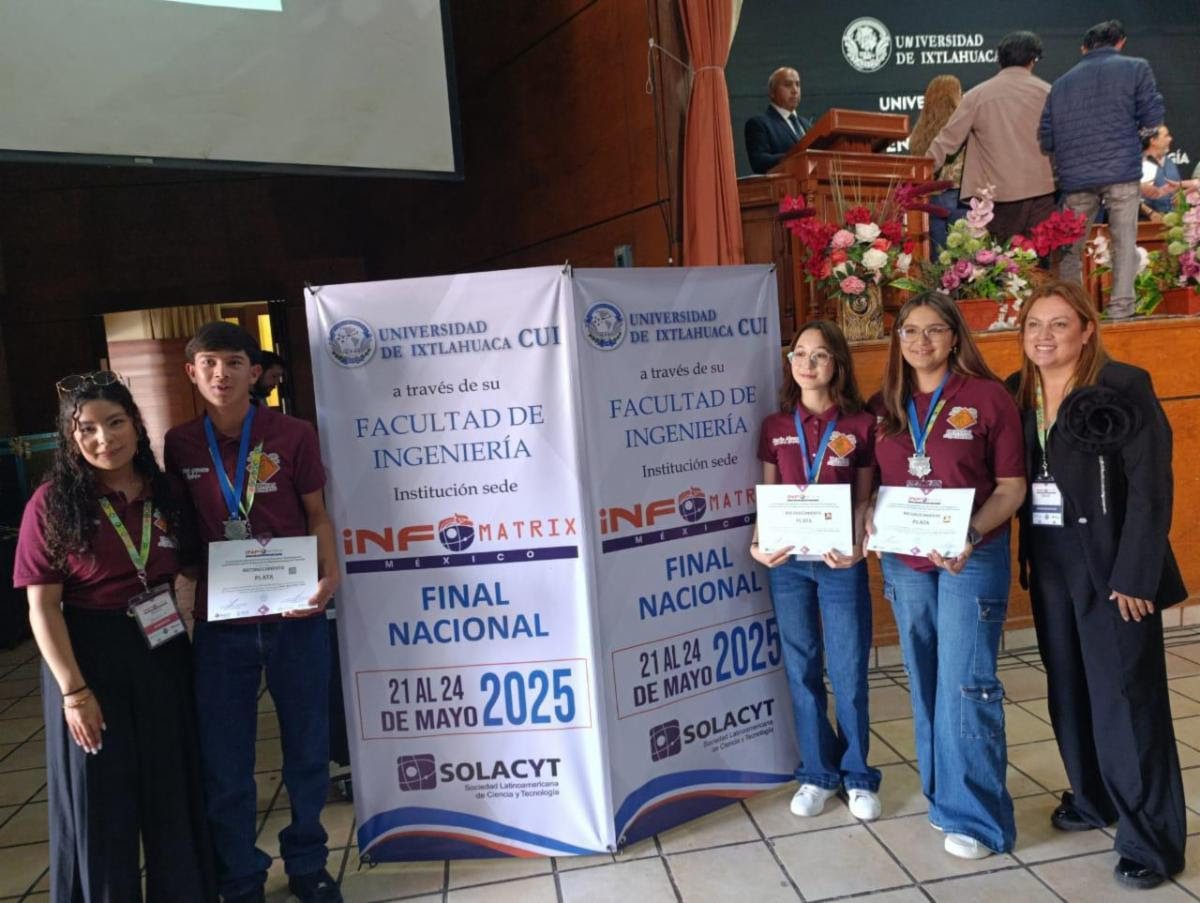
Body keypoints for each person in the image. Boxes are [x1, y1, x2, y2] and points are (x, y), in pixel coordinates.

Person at [1011, 280, 1187, 890]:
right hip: (1051, 564)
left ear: (1087, 329)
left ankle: (1152, 841)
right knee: (1069, 689)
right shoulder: (1019, 391)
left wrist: (1137, 572)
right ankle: (1092, 798)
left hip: (1114, 568)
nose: (1044, 336)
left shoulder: (1122, 385)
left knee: (1126, 700)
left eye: (1059, 324)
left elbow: (1151, 486)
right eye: (1034, 324)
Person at [13, 373, 216, 902]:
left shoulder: (167, 491)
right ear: (70, 438)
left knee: (171, 789)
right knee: (101, 800)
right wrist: (74, 693)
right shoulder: (52, 502)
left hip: (162, 649)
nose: (105, 439)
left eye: (116, 422)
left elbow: (192, 566)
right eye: (87, 429)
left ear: (136, 424)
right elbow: (43, 607)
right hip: (88, 658)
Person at [165, 322, 341, 903]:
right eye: (209, 363)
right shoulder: (180, 444)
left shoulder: (292, 434)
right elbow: (184, 531)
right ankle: (241, 875)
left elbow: (316, 514)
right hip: (223, 628)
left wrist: (330, 573)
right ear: (192, 373)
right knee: (225, 761)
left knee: (308, 750)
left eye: (234, 362)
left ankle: (309, 861)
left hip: (296, 618)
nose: (222, 374)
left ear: (254, 372)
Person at [865, 292, 1026, 860]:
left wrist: (973, 533)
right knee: (927, 675)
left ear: (955, 336)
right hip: (906, 562)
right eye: (910, 330)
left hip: (970, 556)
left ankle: (979, 819)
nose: (921, 341)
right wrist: (863, 523)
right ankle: (943, 796)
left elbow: (1011, 487)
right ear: (898, 339)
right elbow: (871, 488)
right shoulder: (884, 405)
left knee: (967, 682)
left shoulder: (987, 398)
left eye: (934, 330)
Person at [751, 320, 881, 822]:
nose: (807, 364)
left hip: (838, 563)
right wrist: (758, 542)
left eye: (820, 355)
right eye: (798, 354)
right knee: (802, 670)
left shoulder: (860, 425)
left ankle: (858, 775)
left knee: (848, 670)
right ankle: (817, 773)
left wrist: (854, 544)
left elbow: (865, 496)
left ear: (838, 364)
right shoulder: (775, 426)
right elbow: (768, 494)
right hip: (787, 565)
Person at [1039, 20, 1165, 319]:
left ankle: (1073, 314)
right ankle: (1121, 310)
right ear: (1120, 42)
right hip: (1121, 170)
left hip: (1076, 176)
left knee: (1071, 248)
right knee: (1124, 241)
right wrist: (1136, 140)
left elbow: (1047, 136)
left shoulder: (1061, 83)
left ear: (1085, 47)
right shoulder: (1136, 67)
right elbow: (1152, 116)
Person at [926, 32, 1056, 243]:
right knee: (1043, 264)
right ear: (1033, 60)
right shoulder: (1049, 93)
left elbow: (946, 142)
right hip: (1043, 192)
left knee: (1003, 266)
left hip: (998, 198)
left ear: (999, 60)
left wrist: (917, 178)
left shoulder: (977, 95)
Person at [908, 75, 966, 250]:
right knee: (964, 259)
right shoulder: (961, 125)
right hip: (958, 197)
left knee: (936, 259)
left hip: (930, 199)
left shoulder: (919, 131)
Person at [745, 67, 811, 174]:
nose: (795, 90)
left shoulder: (807, 125)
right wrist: (794, 157)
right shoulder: (759, 124)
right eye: (788, 85)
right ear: (772, 92)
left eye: (798, 84)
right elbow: (759, 162)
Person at [1140, 125, 1197, 220]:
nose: (1170, 139)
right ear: (1153, 140)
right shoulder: (1141, 164)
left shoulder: (1170, 163)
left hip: (1175, 223)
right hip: (1148, 225)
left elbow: (1178, 192)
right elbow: (1131, 197)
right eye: (1166, 136)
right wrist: (1151, 213)